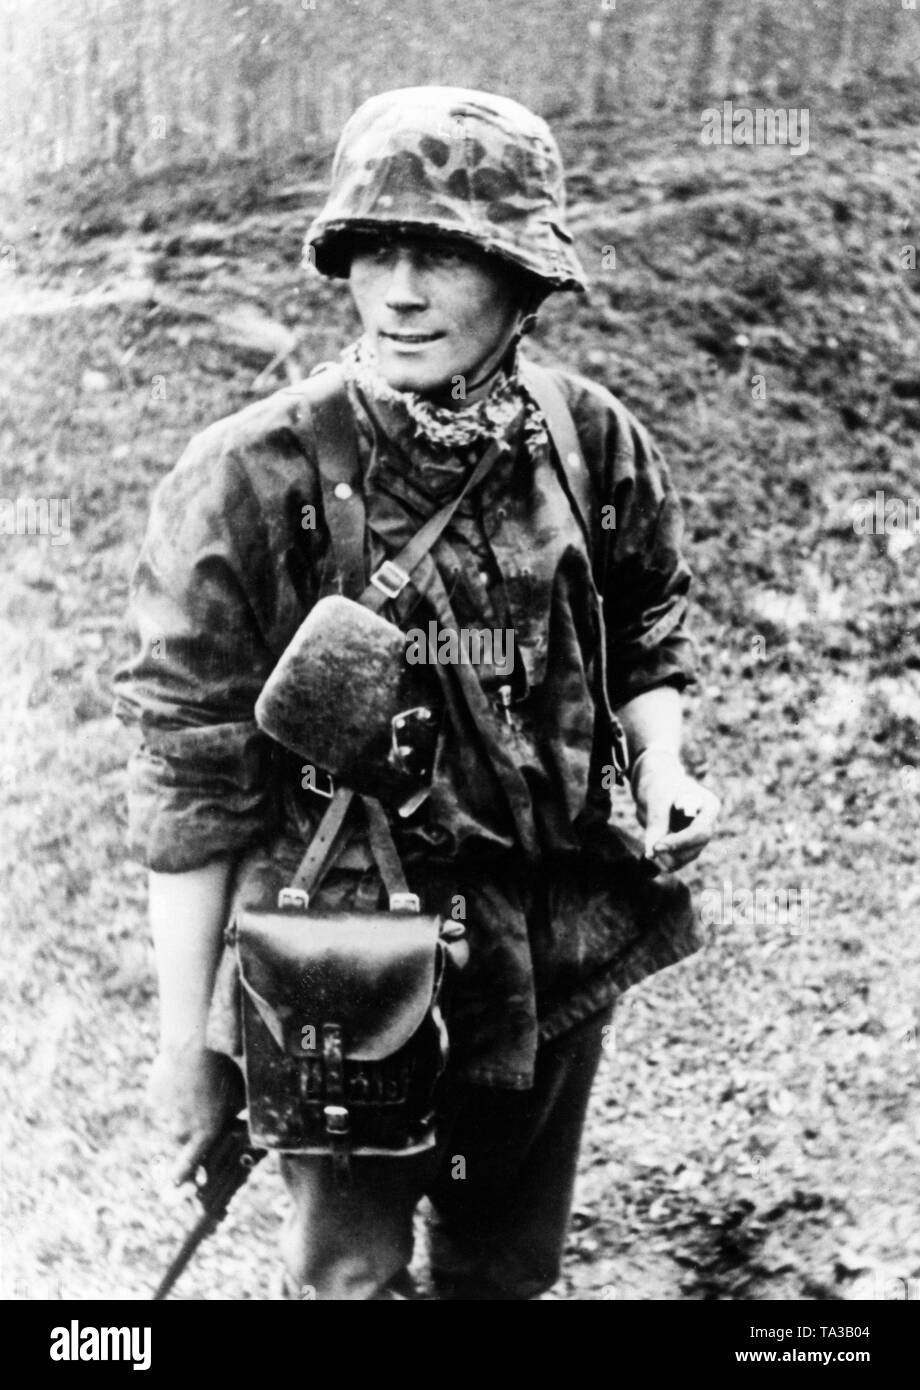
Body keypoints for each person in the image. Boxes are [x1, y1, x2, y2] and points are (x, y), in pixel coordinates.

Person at [115, 86, 720, 1301]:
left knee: (504, 1271)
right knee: (350, 1280)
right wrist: (191, 1045)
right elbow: (189, 783)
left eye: (443, 254)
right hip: (344, 964)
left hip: (550, 946)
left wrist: (660, 761)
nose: (399, 290)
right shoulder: (249, 476)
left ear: (522, 279)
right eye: (377, 251)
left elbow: (645, 622)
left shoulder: (587, 438)